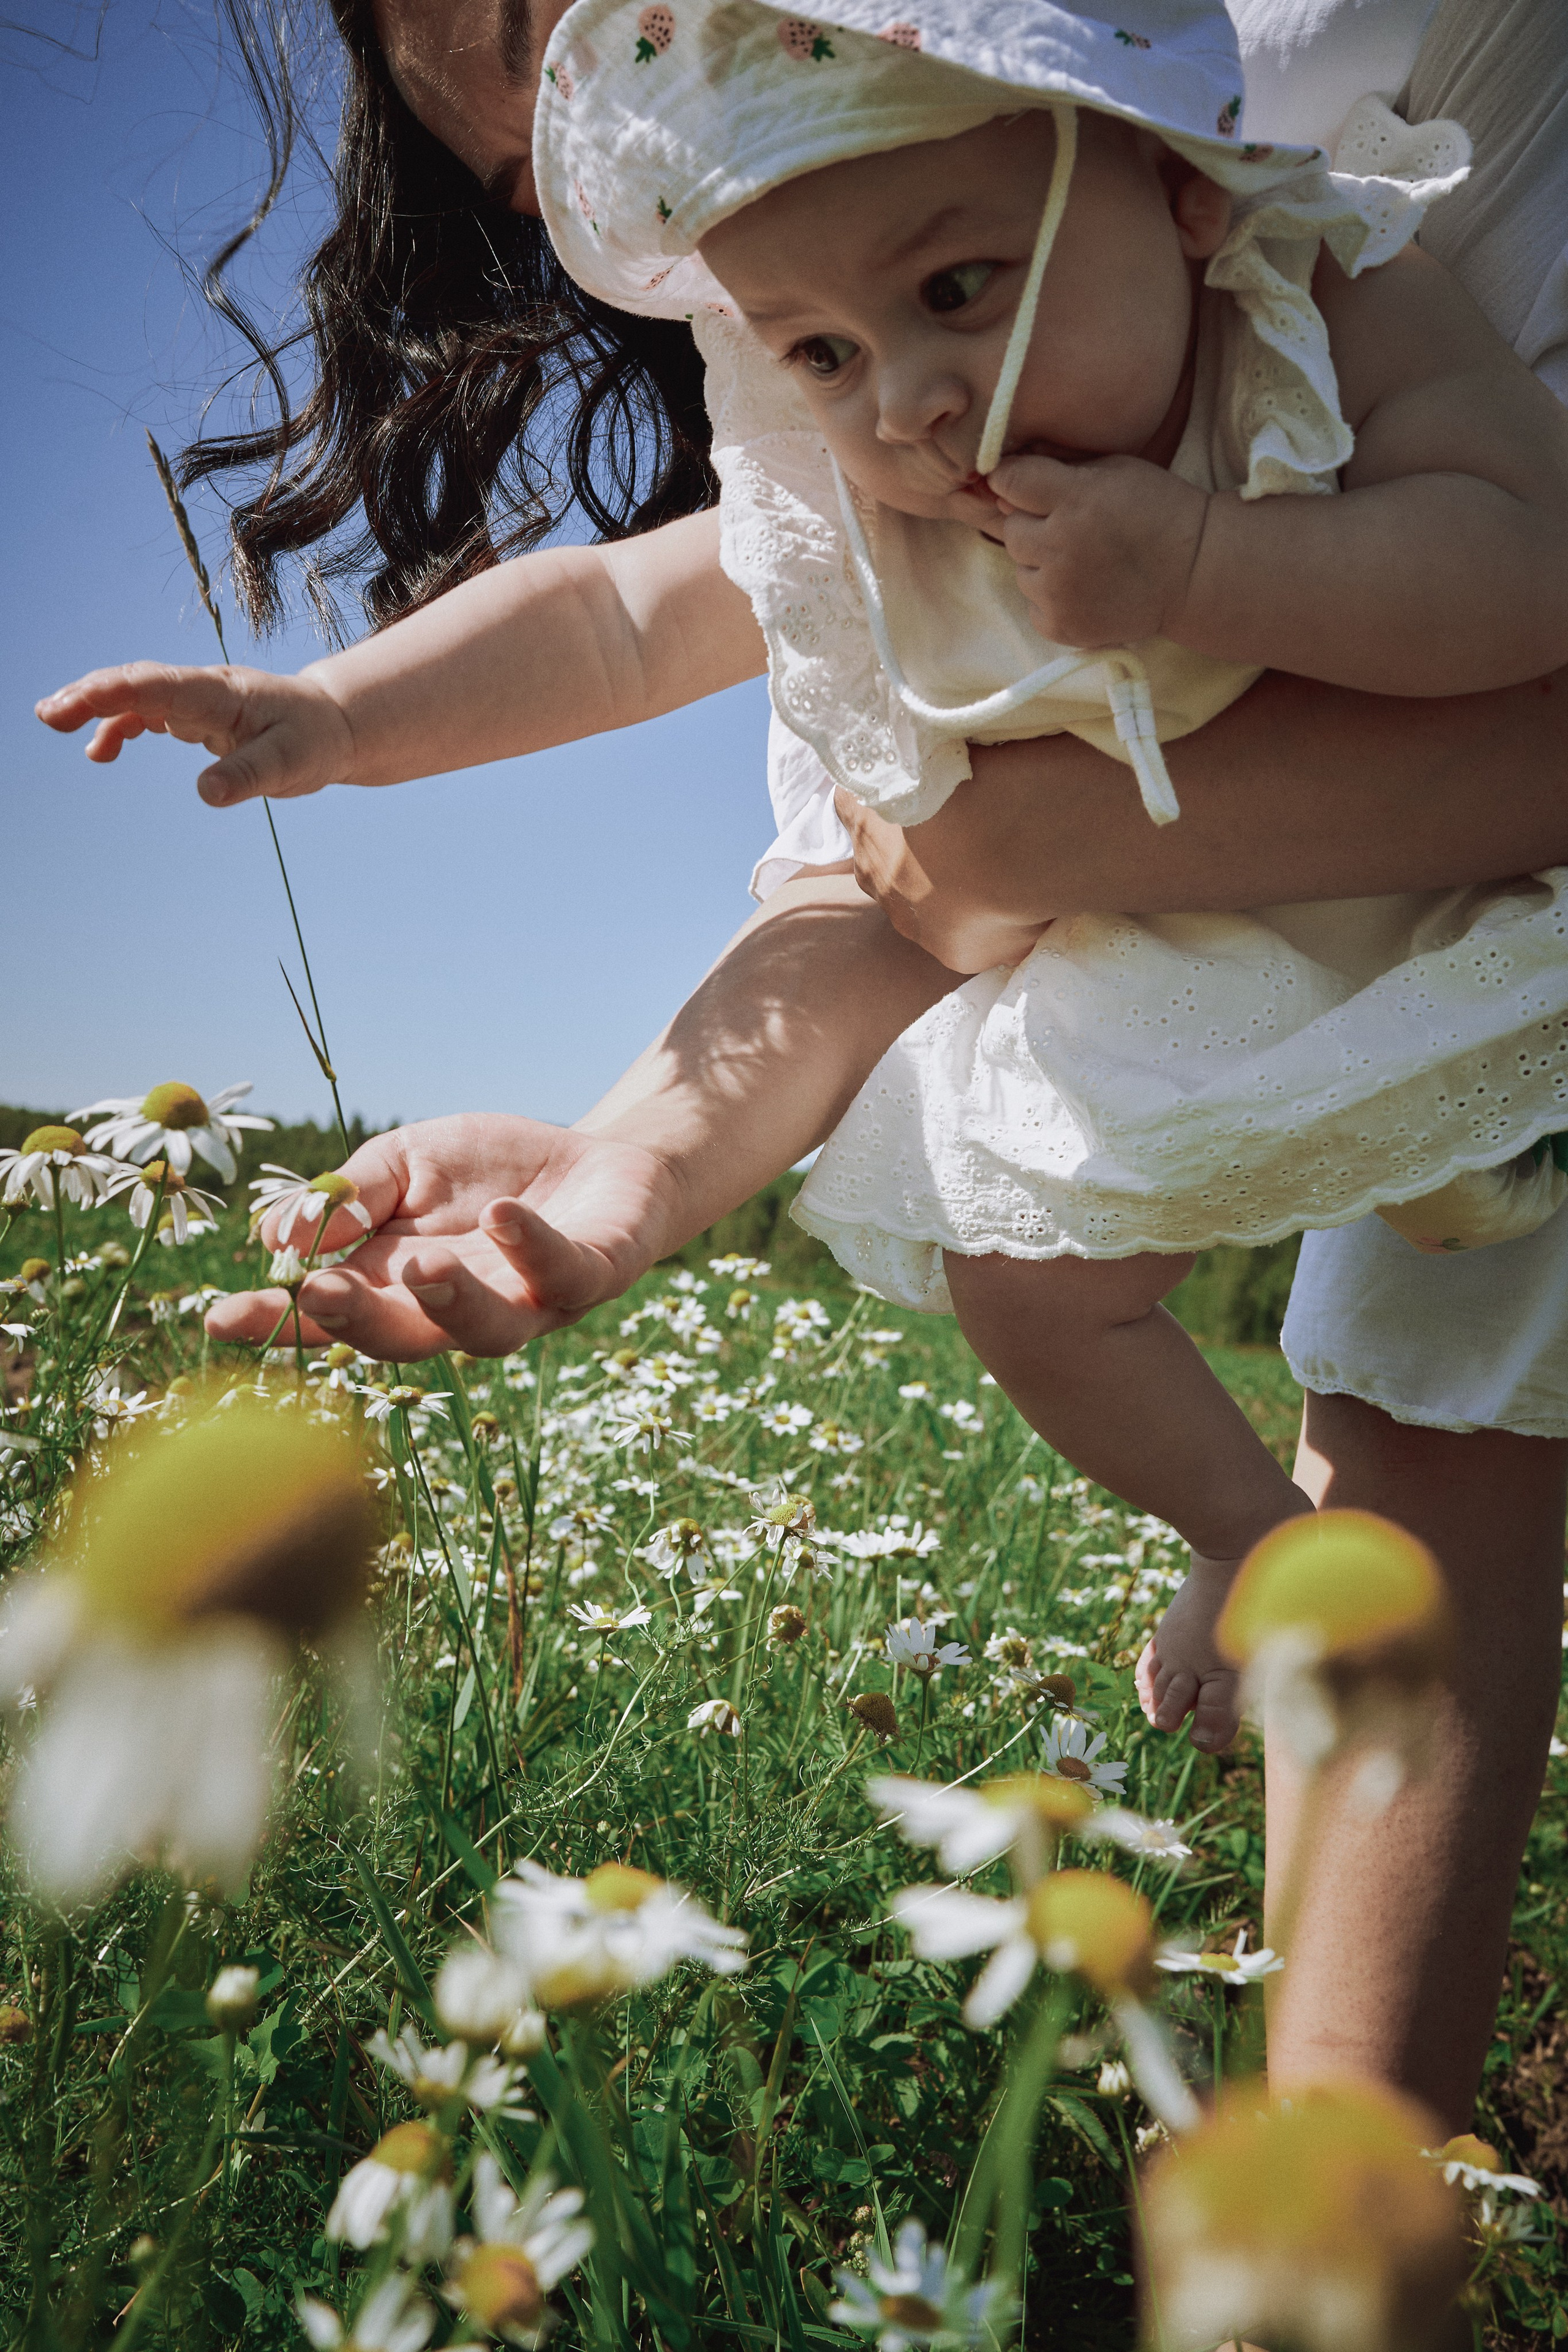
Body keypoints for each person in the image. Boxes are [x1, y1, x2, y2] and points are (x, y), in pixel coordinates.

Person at [37, 0, 1568, 2135]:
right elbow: (618, 616)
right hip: (1135, 965)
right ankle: (1244, 1532)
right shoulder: (869, 456)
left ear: (1160, 172)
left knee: (1456, 1337)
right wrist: (342, 715)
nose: (912, 401)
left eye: (957, 293)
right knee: (1020, 1265)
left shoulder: (1320, 282)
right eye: (821, 350)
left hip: (1437, 929)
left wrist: (1219, 564)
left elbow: (1526, 571)